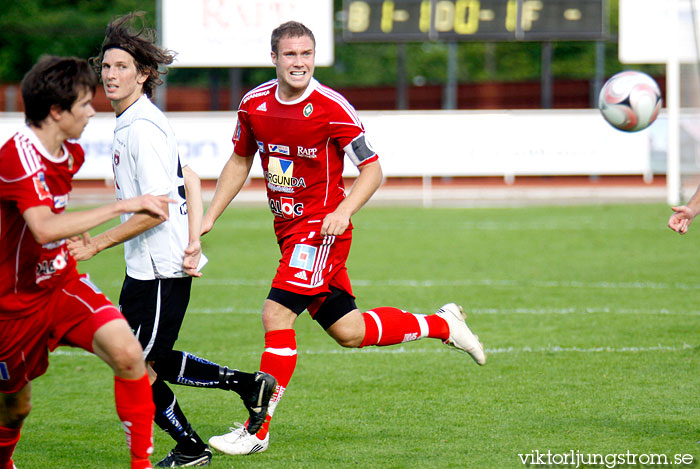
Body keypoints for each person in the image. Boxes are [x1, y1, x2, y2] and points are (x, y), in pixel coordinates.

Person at [200, 20, 487, 456]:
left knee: (276, 315)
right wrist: (209, 216)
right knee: (348, 330)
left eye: (306, 54)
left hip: (320, 232)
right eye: (291, 55)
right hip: (289, 232)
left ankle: (256, 430)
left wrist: (343, 210)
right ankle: (441, 323)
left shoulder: (332, 107)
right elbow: (239, 161)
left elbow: (372, 169)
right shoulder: (254, 104)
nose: (300, 63)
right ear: (273, 57)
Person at [67, 13, 275, 467]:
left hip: (159, 269)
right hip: (146, 266)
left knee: (137, 366)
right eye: (106, 67)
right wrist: (196, 235)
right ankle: (246, 386)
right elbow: (191, 176)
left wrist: (97, 244)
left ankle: (191, 446)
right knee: (146, 358)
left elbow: (158, 207)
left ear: (143, 75)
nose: (111, 75)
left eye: (122, 67)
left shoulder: (142, 126)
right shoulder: (132, 122)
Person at [0, 55, 166, 469]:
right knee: (14, 408)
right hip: (13, 304)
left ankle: (140, 466)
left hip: (60, 284)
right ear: (56, 112)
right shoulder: (17, 156)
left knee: (129, 354)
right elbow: (41, 227)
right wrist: (122, 206)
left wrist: (74, 229)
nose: (93, 111)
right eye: (84, 105)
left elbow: (52, 215)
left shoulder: (69, 153)